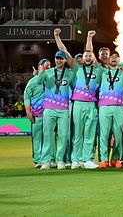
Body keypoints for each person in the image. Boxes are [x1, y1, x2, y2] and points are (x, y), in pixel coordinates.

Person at [37, 29, 77, 170]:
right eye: (57, 58)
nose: (59, 60)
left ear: (65, 60)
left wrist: (57, 37)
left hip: (64, 109)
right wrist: (42, 70)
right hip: (49, 108)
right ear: (54, 59)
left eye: (61, 58)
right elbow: (37, 82)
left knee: (64, 135)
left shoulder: (71, 73)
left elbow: (74, 87)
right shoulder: (47, 72)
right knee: (48, 134)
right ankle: (47, 160)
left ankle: (60, 160)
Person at [69, 31, 101, 170]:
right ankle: (75, 159)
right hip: (78, 104)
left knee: (90, 133)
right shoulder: (77, 68)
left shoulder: (99, 70)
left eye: (90, 56)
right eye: (85, 56)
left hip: (91, 105)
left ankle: (87, 159)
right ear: (81, 58)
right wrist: (88, 37)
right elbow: (87, 49)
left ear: (93, 58)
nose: (88, 57)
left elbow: (90, 50)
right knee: (78, 133)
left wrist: (89, 39)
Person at [98, 51, 123, 169]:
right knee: (104, 134)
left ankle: (118, 158)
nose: (114, 58)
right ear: (108, 60)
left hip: (119, 106)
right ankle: (103, 160)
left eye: (116, 57)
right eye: (112, 57)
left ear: (119, 60)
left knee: (119, 134)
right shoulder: (102, 72)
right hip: (104, 106)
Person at [23, 59, 48, 168]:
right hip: (37, 114)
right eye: (44, 66)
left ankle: (47, 159)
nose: (46, 68)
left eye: (48, 66)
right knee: (37, 138)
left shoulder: (51, 80)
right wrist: (28, 111)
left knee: (49, 137)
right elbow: (27, 96)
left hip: (49, 114)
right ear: (39, 68)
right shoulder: (33, 82)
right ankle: (38, 160)